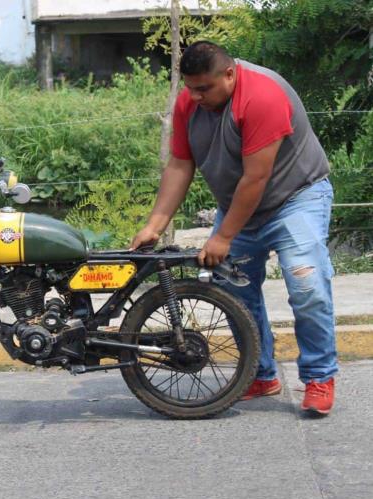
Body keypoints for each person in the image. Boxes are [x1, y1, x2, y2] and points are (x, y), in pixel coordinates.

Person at [130, 41, 338, 415]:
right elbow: (180, 164)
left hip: (296, 199)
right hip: (240, 206)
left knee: (306, 284)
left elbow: (256, 178)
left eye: (204, 89)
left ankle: (319, 376)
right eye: (189, 88)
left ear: (229, 74)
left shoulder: (261, 96)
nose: (194, 97)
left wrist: (223, 236)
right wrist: (154, 225)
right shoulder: (189, 102)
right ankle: (260, 375)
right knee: (236, 293)